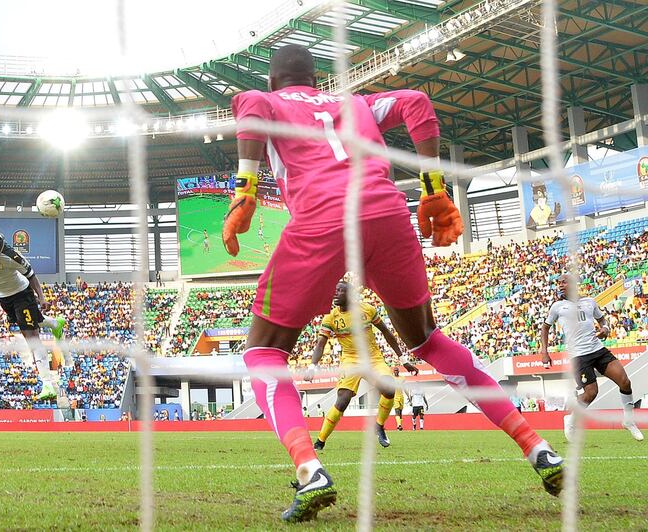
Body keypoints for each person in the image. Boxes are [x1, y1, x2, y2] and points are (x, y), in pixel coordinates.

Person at [225, 44, 563, 522]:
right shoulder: (356, 104)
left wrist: (245, 192)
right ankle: (538, 448)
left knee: (264, 351)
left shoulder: (269, 101)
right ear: (316, 79)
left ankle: (310, 469)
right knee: (427, 340)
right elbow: (417, 103)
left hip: (321, 222)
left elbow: (251, 106)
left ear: (275, 80)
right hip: (386, 214)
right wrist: (433, 189)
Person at [309, 281, 416, 450]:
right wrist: (313, 366)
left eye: (340, 291)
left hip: (373, 358)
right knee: (343, 401)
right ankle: (320, 441)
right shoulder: (330, 317)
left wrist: (403, 359)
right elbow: (321, 344)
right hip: (350, 361)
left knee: (389, 389)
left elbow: (386, 333)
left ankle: (379, 425)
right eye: (334, 290)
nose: (335, 293)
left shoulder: (367, 310)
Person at [540, 274, 643, 442]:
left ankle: (629, 421)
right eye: (558, 283)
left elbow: (602, 320)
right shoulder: (557, 307)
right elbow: (545, 328)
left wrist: (605, 328)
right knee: (591, 393)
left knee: (625, 382)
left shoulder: (590, 302)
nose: (560, 285)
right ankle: (571, 419)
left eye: (564, 282)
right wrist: (544, 352)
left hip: (598, 349)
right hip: (578, 356)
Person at [0, 220, 66, 400]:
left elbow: (31, 275)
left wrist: (42, 297)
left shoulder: (11, 256)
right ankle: (54, 323)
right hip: (3, 297)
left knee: (31, 337)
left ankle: (47, 385)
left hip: (21, 295)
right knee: (28, 325)